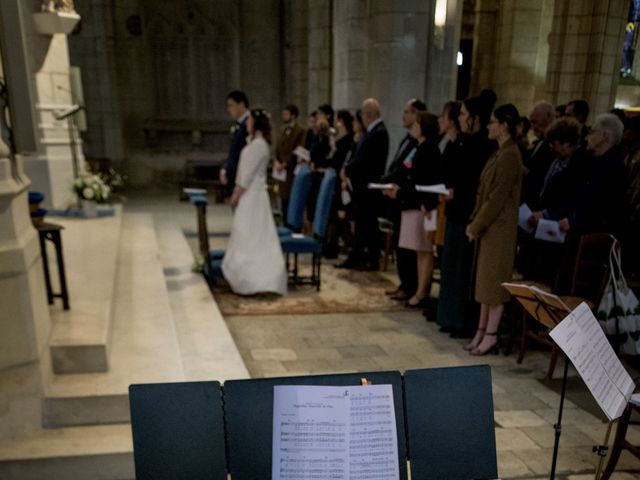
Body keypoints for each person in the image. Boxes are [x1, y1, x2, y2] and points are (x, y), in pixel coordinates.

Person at [465, 104, 523, 355]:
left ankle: (490, 335)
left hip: (499, 230)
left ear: (504, 125)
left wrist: (476, 225)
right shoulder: (500, 152)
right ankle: (481, 331)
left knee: (495, 286)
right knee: (485, 285)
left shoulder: (511, 155)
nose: (488, 126)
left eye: (492, 122)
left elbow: (497, 197)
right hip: (490, 229)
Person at [436, 96, 495, 335]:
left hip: (468, 215)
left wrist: (455, 192)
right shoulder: (463, 142)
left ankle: (462, 320)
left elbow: (475, 185)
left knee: (462, 271)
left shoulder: (482, 145)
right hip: (455, 212)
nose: (459, 119)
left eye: (463, 115)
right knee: (450, 267)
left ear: (475, 118)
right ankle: (449, 317)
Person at [221, 109, 287, 296]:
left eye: (249, 120)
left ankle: (257, 280)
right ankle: (244, 277)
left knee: (254, 237)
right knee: (246, 236)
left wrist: (236, 193)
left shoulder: (259, 145)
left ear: (256, 123)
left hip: (253, 196)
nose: (247, 123)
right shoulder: (255, 143)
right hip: (250, 195)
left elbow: (247, 175)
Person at [382, 112, 442, 307]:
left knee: (424, 251)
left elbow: (421, 180)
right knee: (418, 252)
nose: (414, 127)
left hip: (421, 206)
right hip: (411, 203)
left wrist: (400, 192)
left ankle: (421, 292)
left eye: (417, 124)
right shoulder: (419, 147)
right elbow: (407, 172)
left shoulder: (429, 149)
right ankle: (416, 289)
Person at [380, 99, 427, 300]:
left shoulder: (421, 145)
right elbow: (398, 165)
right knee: (402, 244)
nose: (404, 115)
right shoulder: (408, 140)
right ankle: (404, 284)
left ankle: (410, 286)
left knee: (409, 247)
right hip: (400, 198)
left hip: (410, 200)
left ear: (418, 115)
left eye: (408, 112)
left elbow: (406, 170)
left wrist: (388, 182)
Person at [338, 98, 389, 271]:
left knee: (367, 223)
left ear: (368, 114)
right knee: (364, 223)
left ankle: (368, 258)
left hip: (369, 186)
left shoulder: (379, 132)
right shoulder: (371, 132)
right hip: (362, 186)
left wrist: (348, 170)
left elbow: (364, 159)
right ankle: (360, 257)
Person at [274, 104, 306, 223]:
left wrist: (285, 163)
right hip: (281, 172)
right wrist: (277, 161)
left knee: (290, 200)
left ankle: (291, 224)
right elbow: (278, 148)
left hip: (291, 171)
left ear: (293, 115)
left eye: (286, 114)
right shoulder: (284, 130)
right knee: (283, 200)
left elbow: (298, 149)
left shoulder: (300, 131)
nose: (284, 116)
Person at [521, 101, 555, 207]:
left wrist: (527, 172)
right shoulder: (538, 142)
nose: (532, 127)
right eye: (531, 122)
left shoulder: (554, 146)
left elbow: (547, 180)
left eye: (535, 122)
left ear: (549, 119)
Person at [220, 90, 250, 189]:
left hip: (243, 175)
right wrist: (225, 168)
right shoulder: (238, 125)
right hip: (234, 173)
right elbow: (233, 151)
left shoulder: (249, 124)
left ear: (241, 104)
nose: (229, 109)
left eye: (231, 105)